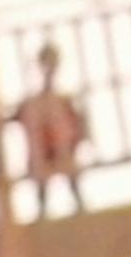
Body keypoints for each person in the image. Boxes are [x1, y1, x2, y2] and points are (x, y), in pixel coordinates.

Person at [12, 41, 86, 218]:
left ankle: (76, 206)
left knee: (69, 174)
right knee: (43, 182)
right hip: (42, 148)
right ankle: (45, 210)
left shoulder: (62, 100)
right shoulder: (34, 103)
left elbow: (78, 124)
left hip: (60, 145)